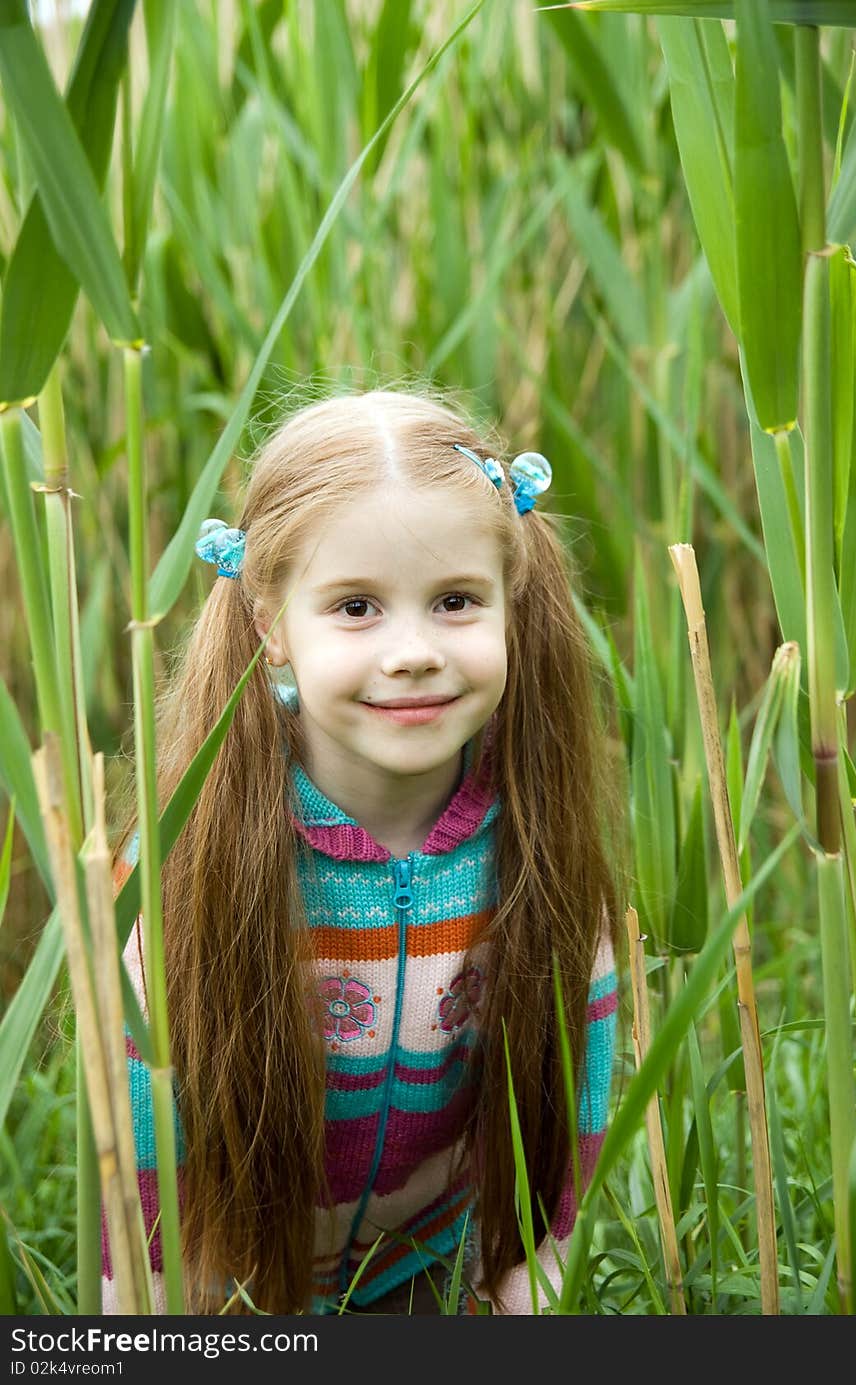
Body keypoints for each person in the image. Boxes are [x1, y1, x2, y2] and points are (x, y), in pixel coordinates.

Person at [104, 388, 626, 1316]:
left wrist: (531, 1280)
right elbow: (149, 1190)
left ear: (512, 603)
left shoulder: (537, 845)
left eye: (456, 600)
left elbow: (563, 1143)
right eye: (356, 607)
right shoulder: (189, 864)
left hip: (437, 1270)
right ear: (272, 626)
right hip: (238, 1294)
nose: (414, 650)